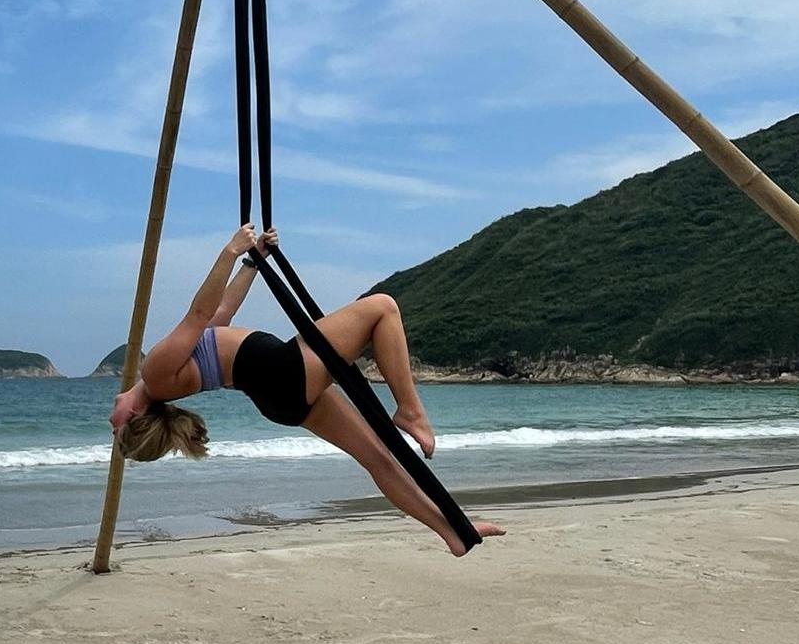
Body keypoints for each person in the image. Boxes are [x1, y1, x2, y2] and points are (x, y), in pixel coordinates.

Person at [110, 224, 505, 556]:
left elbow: (220, 315)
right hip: (284, 373)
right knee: (382, 307)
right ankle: (409, 410)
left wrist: (251, 261)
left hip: (280, 396)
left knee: (379, 459)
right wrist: (229, 252)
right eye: (115, 430)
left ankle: (454, 533)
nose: (110, 421)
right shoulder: (156, 374)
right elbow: (198, 314)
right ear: (134, 416)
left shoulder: (163, 379)